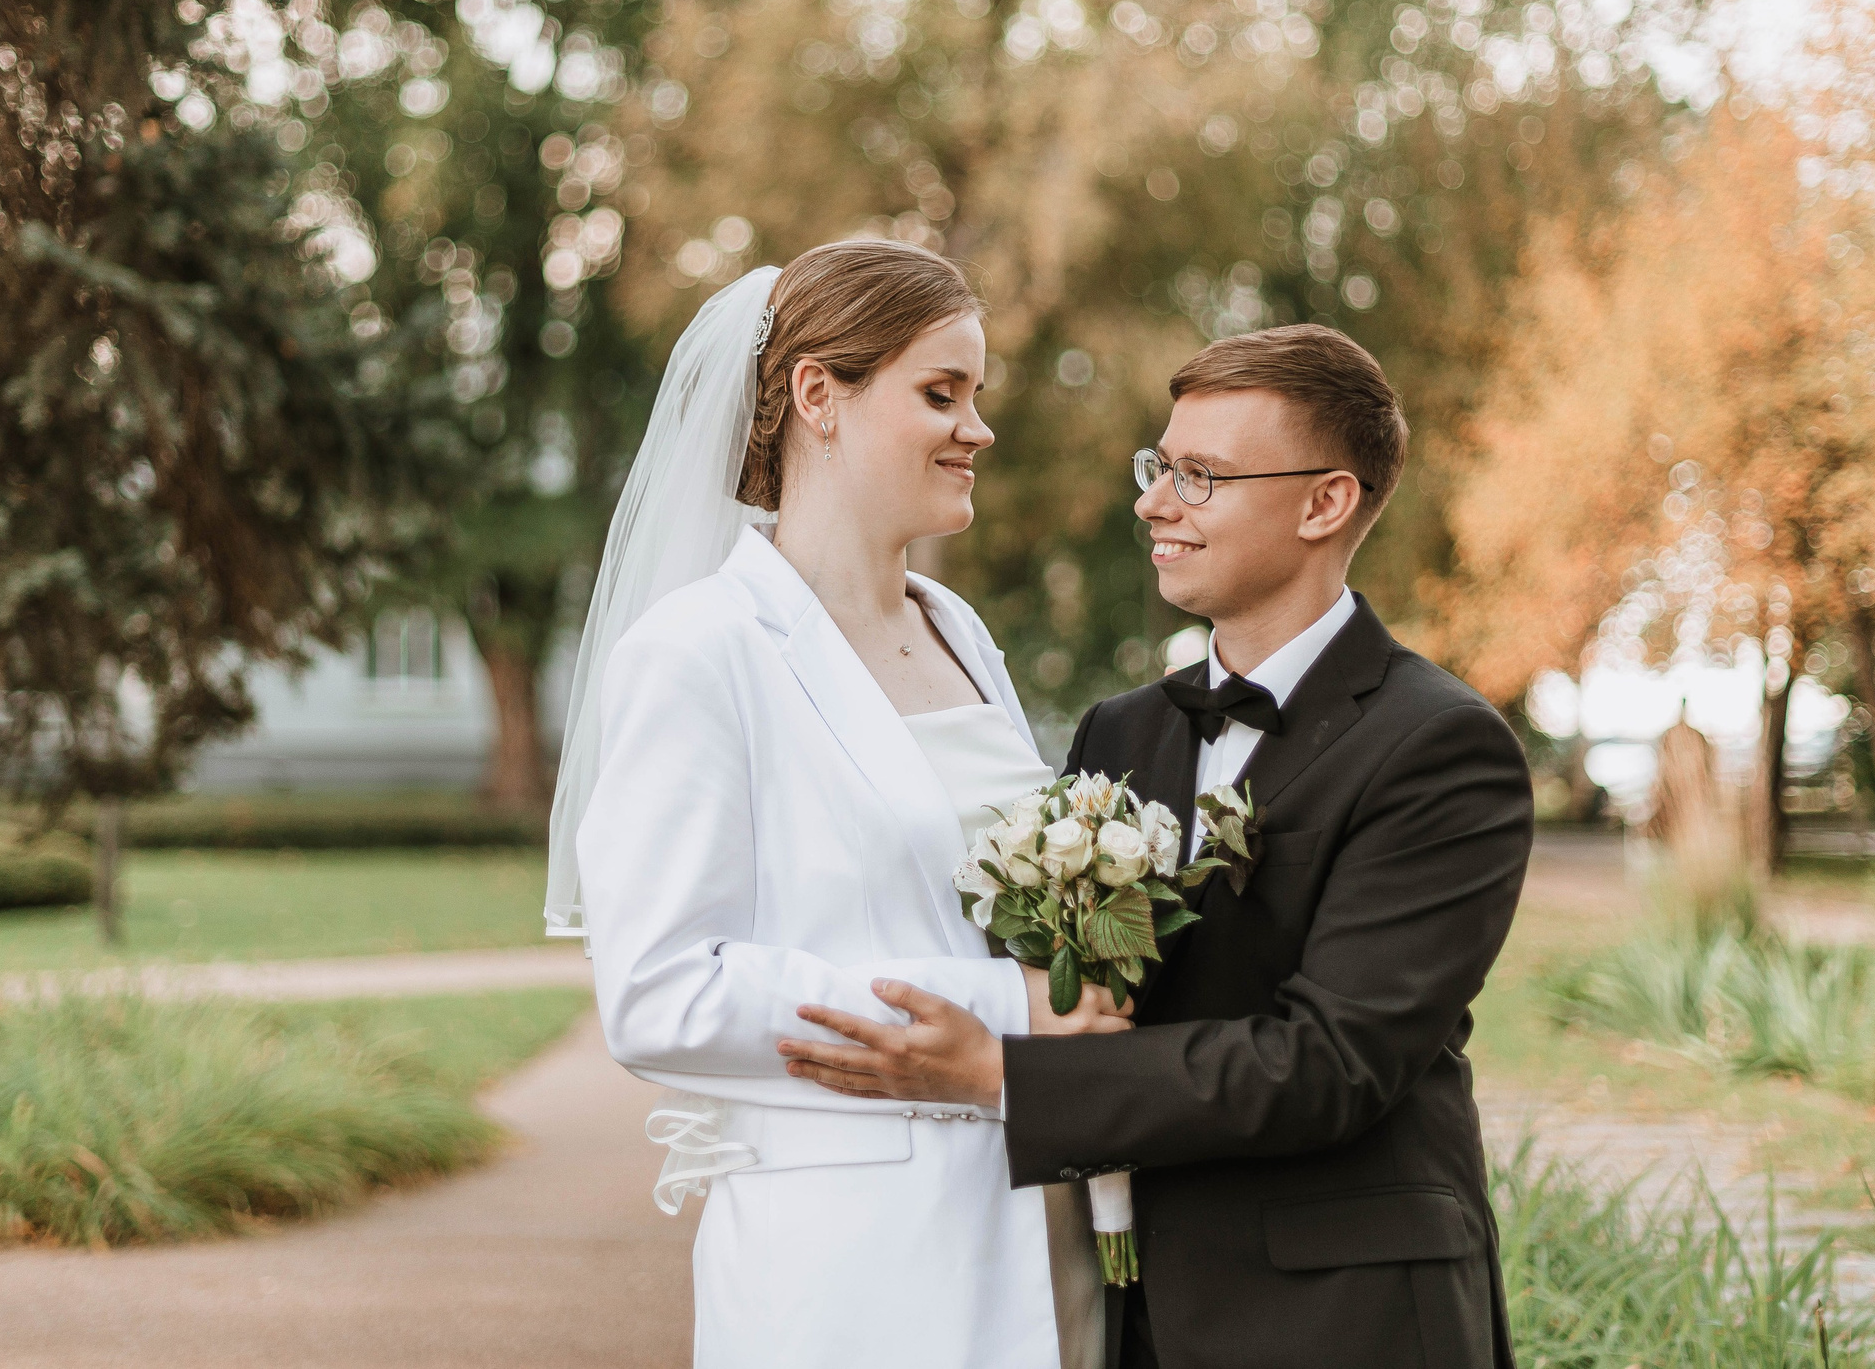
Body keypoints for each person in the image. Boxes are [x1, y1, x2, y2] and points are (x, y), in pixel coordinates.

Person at [780, 324, 1536, 1369]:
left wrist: (1002, 1076)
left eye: (1201, 476)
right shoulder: (1119, 733)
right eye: (1158, 466)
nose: (1152, 502)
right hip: (1130, 1311)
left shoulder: (1441, 746)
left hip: (1344, 1313)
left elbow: (1333, 1063)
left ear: (1325, 503)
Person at [553, 242, 1122, 1369]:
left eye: (977, 397)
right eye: (940, 393)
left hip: (1043, 1221)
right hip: (856, 1263)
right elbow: (661, 991)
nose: (977, 428)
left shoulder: (959, 633)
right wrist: (1005, 1005)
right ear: (820, 395)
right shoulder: (698, 651)